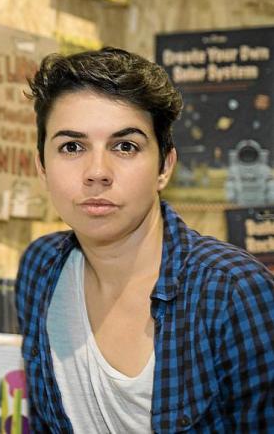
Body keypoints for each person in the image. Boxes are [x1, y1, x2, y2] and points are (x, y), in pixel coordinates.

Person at [15, 47, 274, 432]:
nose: (97, 172)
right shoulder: (40, 268)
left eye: (125, 146)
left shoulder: (233, 291)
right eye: (72, 147)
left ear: (164, 166)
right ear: (41, 166)